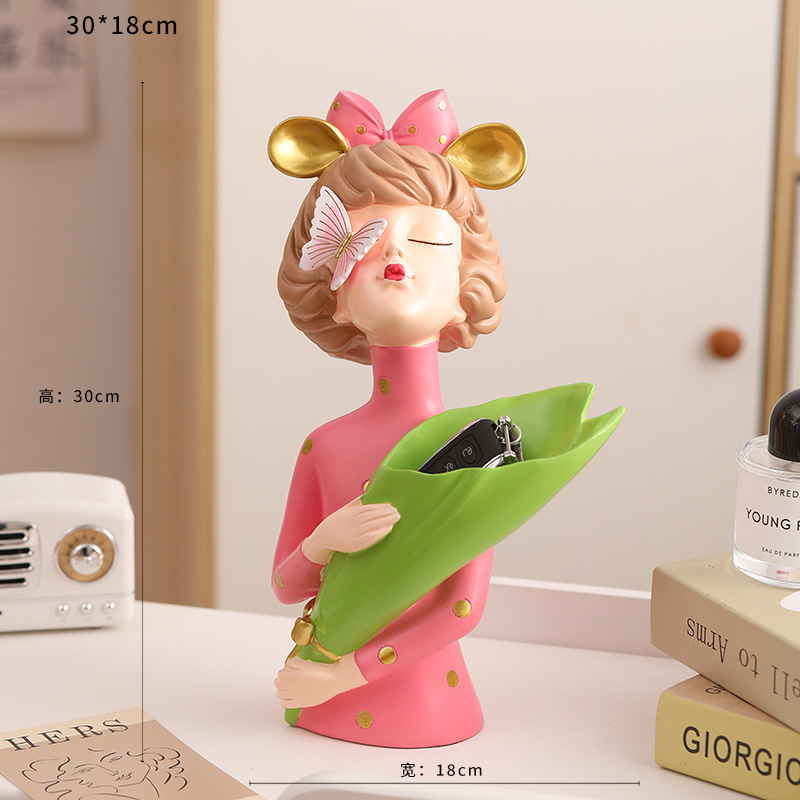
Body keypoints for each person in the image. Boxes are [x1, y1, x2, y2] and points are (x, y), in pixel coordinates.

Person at [269, 90, 523, 747]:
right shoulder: (325, 446)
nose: (396, 257)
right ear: (334, 294)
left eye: (429, 240)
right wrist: (324, 541)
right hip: (314, 703)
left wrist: (341, 676)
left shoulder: (479, 446)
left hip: (424, 706)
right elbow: (285, 583)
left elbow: (461, 607)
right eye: (366, 240)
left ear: (466, 285)